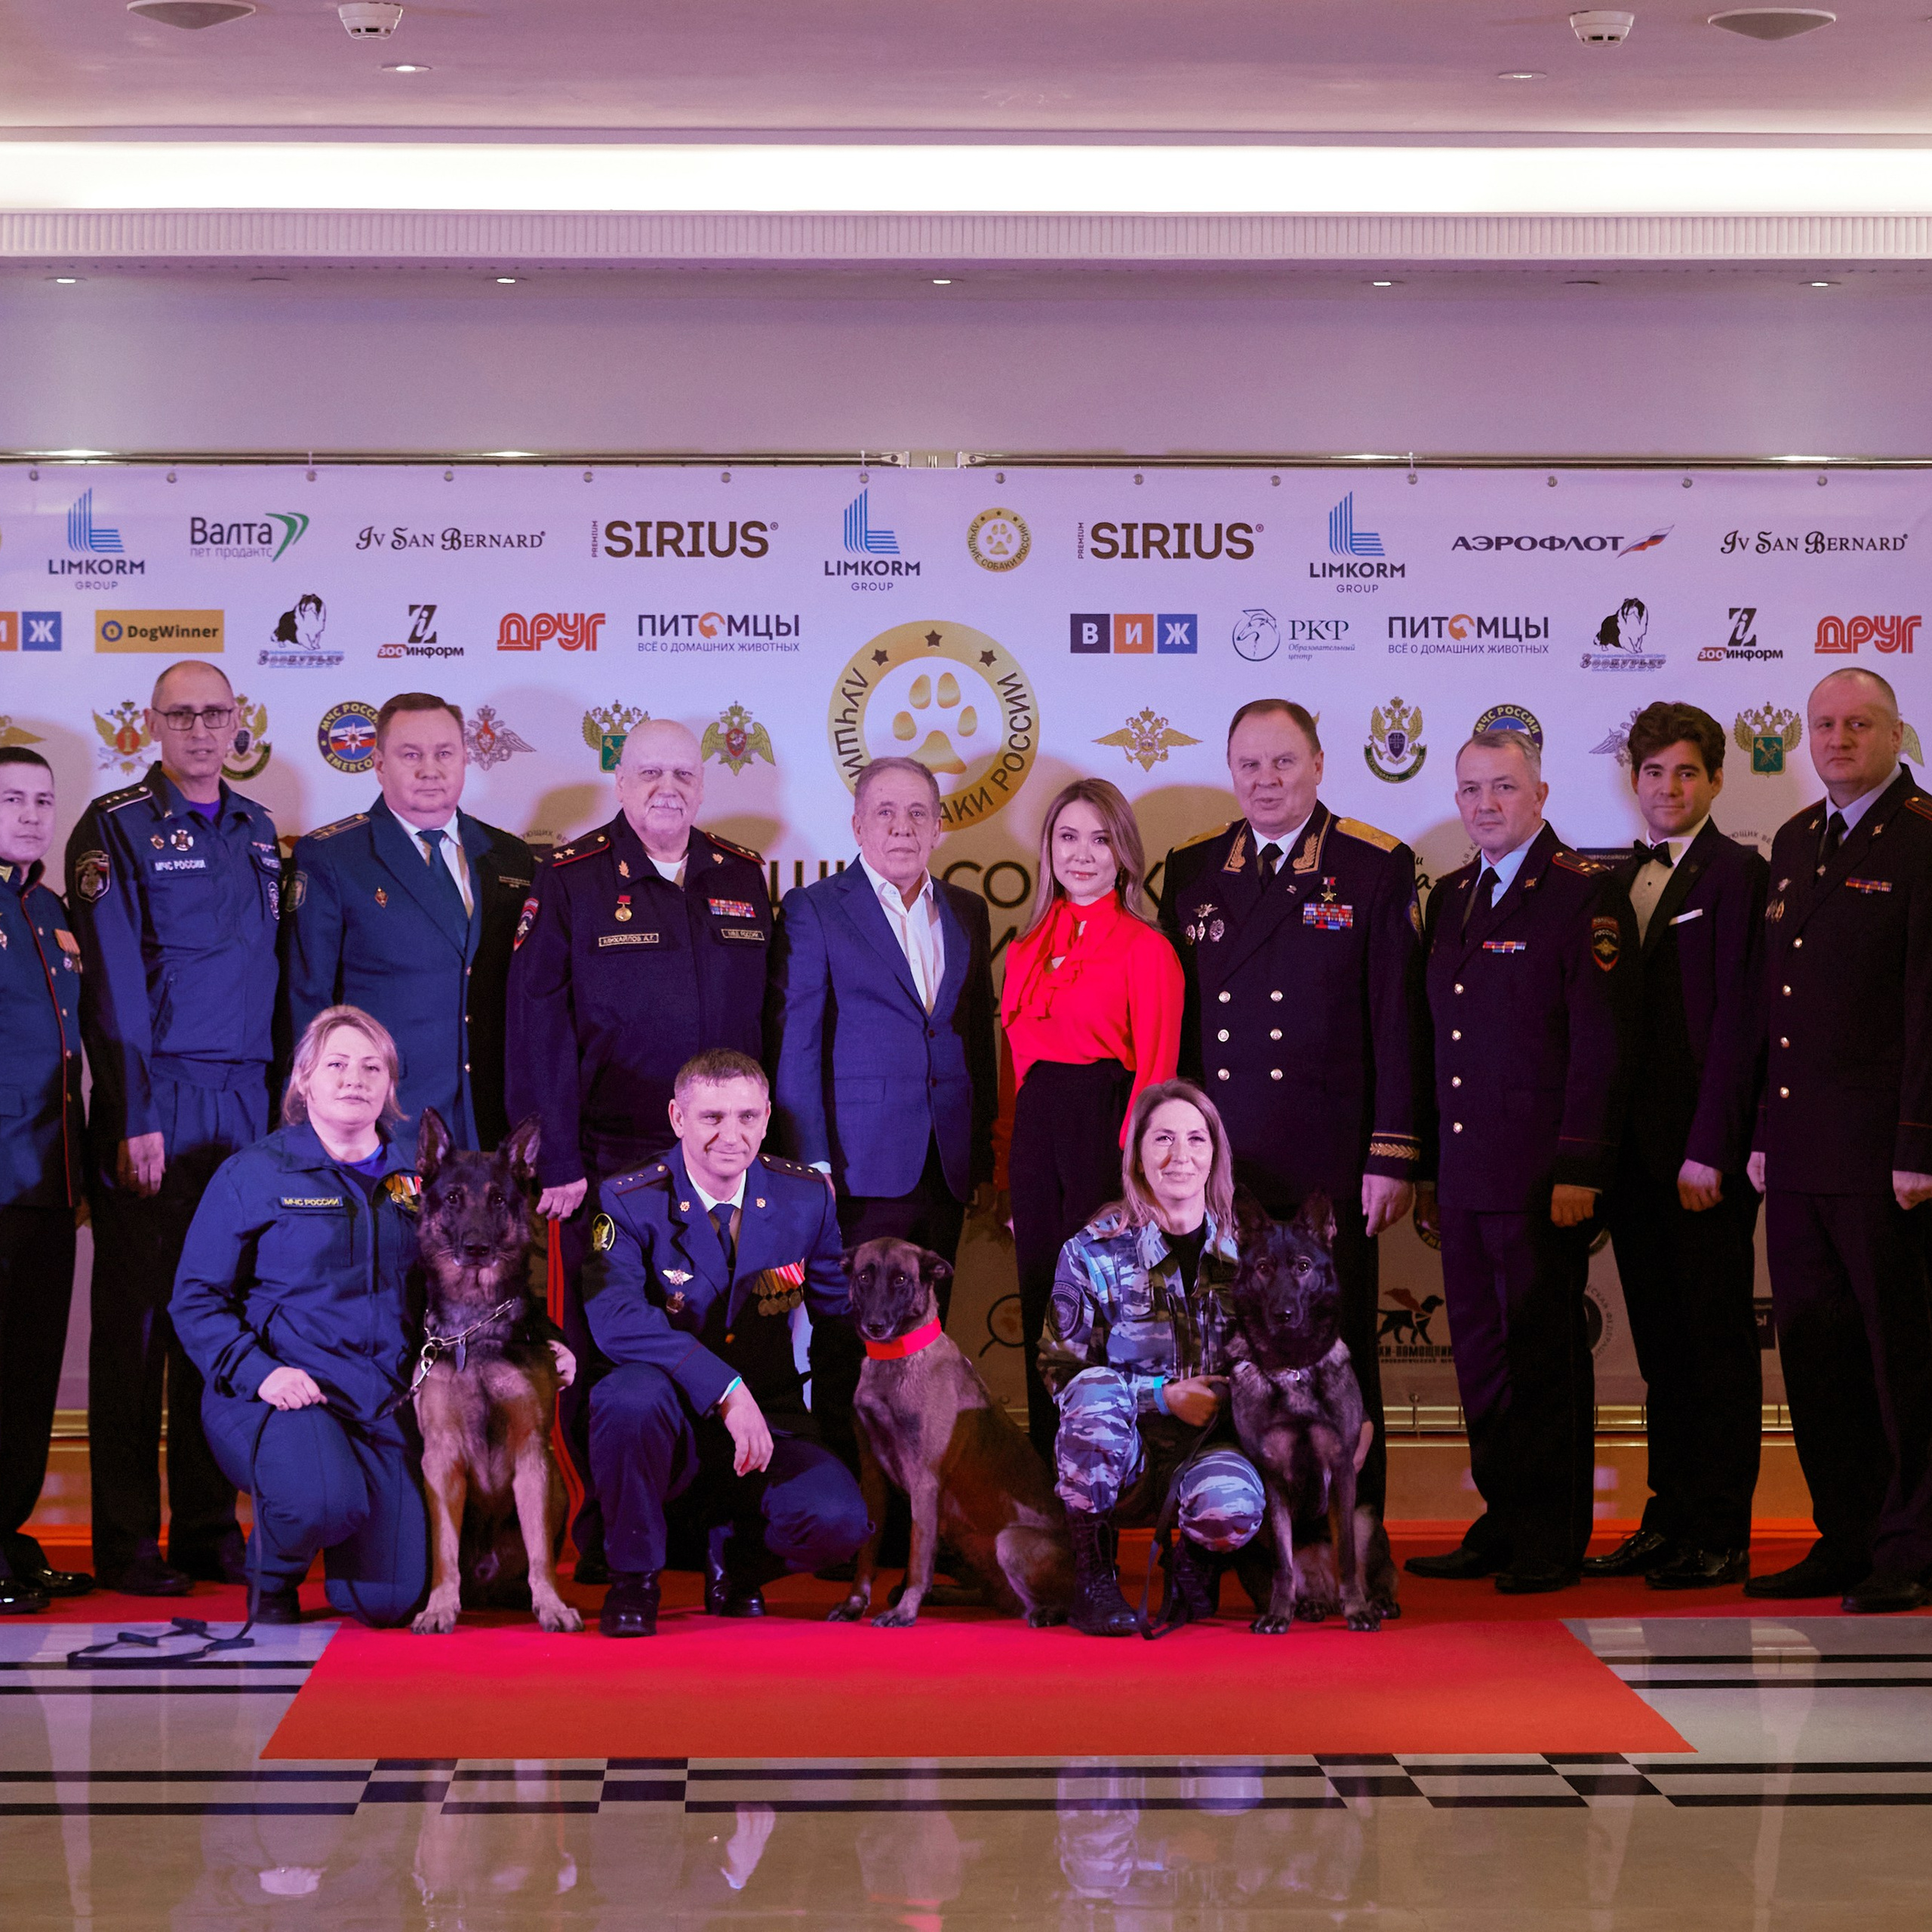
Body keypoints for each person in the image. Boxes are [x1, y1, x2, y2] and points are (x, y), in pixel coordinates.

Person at [506, 715, 772, 1580]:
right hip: (607, 1164)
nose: (667, 788)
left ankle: (697, 1526)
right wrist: (555, 1158)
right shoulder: (573, 877)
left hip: (722, 1161)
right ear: (620, 784)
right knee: (602, 1351)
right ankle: (606, 1535)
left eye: (683, 774)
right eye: (649, 773)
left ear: (703, 784)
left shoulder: (740, 875)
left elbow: (769, 1022)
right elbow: (535, 1024)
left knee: (713, 1335)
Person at [1157, 698, 1426, 1521]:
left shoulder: (1373, 865)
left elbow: (1396, 1020)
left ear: (1317, 765)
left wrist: (1391, 1153)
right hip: (1225, 1161)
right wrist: (1176, 1158)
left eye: (1283, 762)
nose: (1265, 780)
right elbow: (1182, 1032)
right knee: (1228, 1350)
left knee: (1339, 1355)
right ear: (1230, 770)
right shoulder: (1193, 867)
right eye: (1250, 764)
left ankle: (1355, 1534)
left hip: (1327, 1159)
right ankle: (1238, 1528)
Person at [66, 659, 281, 1595]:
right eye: (181, 714)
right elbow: (111, 986)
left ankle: (205, 1526)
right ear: (151, 724)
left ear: (238, 722)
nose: (200, 729)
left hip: (246, 1107)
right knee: (139, 1329)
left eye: (214, 713)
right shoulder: (114, 825)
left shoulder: (258, 829)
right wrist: (133, 1112)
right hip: (160, 1102)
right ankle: (125, 1541)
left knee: (220, 1319)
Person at [1407, 729, 1635, 1594]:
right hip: (1466, 1172)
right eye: (1470, 789)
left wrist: (1581, 1166)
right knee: (1481, 1360)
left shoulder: (1582, 894)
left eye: (1502, 787)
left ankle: (1551, 1534)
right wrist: (1427, 1167)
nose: (1485, 804)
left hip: (1542, 1178)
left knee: (1544, 1360)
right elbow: (1439, 1041)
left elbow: (1600, 1044)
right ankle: (1502, 1519)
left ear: (1539, 794)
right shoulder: (1451, 895)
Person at [1746, 667, 1932, 1614]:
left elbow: (1927, 1004)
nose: (1837, 739)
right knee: (1816, 1354)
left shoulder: (1922, 838)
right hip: (1800, 1151)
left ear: (1897, 735)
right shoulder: (1794, 839)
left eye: (1859, 723)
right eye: (1823, 724)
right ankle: (1846, 1533)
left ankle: (1912, 1542)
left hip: (1885, 1155)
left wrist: (1919, 1141)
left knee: (1900, 1356)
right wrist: (1762, 1131)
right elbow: (1776, 1007)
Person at [580, 1049, 869, 1638]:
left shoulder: (805, 1196)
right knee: (626, 1397)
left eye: (746, 1117)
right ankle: (634, 1579)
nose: (731, 1136)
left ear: (767, 1118)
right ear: (677, 1118)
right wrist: (725, 1389)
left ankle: (735, 1564)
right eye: (711, 1117)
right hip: (670, 1421)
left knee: (840, 1522)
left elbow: (838, 1316)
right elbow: (616, 1318)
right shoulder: (629, 1199)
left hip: (769, 1421)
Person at [169, 1007, 430, 1626]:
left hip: (380, 1402)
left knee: (392, 1603)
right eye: (336, 1064)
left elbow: (465, 1282)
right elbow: (195, 1298)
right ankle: (273, 1575)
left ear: (390, 1086)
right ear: (304, 1080)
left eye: (372, 1068)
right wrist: (261, 1373)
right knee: (322, 1501)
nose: (354, 1079)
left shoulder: (420, 1179)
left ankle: (344, 1518)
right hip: (277, 1394)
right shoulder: (253, 1174)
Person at [1589, 703, 1767, 1590]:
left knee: (1715, 1346)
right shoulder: (1616, 877)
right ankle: (1668, 1518)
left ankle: (1721, 1529)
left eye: (1686, 772)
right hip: (1632, 1159)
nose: (1668, 787)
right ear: (1634, 779)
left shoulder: (1742, 875)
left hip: (1703, 1158)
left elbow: (1742, 1023)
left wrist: (1713, 1149)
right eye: (1654, 772)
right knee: (1662, 1350)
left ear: (1716, 780)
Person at [1038, 1079, 1266, 1636]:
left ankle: (1194, 1562)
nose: (1180, 1156)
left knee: (1232, 1507)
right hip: (1122, 1457)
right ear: (1137, 1154)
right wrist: (1162, 1398)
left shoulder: (1253, 1253)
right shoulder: (1091, 1251)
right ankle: (1094, 1577)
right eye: (1163, 1138)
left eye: (1196, 1139)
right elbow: (1061, 1371)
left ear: (1215, 1155)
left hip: (1211, 1447)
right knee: (1092, 1392)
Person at [998, 778, 1182, 1459]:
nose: (1082, 854)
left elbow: (1157, 1070)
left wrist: (1140, 1180)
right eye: (1068, 837)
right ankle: (1051, 1470)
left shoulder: (1146, 947)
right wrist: (1008, 1171)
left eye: (1100, 840)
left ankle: (1106, 1469)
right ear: (1048, 848)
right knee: (1041, 1296)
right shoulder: (1025, 947)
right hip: (1036, 1135)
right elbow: (1016, 1071)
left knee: (1102, 1309)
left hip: (1105, 1131)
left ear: (1124, 852)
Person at [770, 755, 998, 1300]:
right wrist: (810, 1163)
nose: (903, 827)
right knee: (849, 1335)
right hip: (855, 1171)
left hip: (946, 1167)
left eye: (918, 813)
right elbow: (796, 1045)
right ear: (857, 825)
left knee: (929, 1331)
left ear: (938, 828)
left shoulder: (968, 910)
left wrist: (983, 1157)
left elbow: (977, 1039)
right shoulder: (814, 908)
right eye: (886, 812)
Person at [284, 693, 534, 1151]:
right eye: (411, 755)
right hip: (385, 1117)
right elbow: (308, 1002)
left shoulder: (510, 856)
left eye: (444, 754)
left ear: (465, 758)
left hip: (489, 1118)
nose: (429, 770)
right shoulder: (334, 857)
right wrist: (306, 1126)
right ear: (379, 764)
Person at [0, 749, 91, 1613]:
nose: (30, 814)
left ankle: (8, 1535)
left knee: (27, 1375)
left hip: (48, 1178)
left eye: (41, 800)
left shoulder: (49, 908)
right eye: (10, 799)